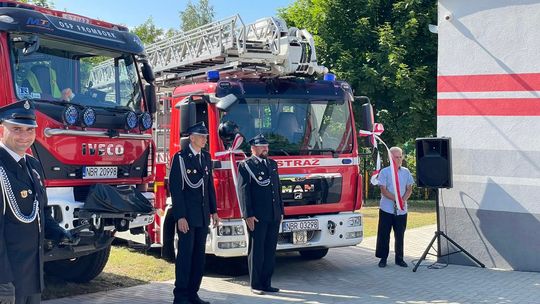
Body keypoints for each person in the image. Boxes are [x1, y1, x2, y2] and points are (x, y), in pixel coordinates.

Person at [0, 101, 71, 304]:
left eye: (30, 129)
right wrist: (3, 282)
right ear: (1, 130)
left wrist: (57, 232)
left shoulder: (33, 166)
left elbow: (41, 212)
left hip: (32, 276)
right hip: (8, 280)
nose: (24, 136)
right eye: (16, 129)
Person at [169, 122, 219, 304]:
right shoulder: (181, 158)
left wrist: (214, 211)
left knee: (199, 258)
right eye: (202, 136)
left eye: (206, 136)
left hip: (202, 215)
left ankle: (193, 293)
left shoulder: (206, 157)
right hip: (188, 217)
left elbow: (209, 187)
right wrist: (180, 216)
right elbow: (176, 188)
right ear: (192, 137)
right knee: (185, 256)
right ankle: (181, 295)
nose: (205, 139)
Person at [237, 134, 284, 295]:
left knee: (270, 250)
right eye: (262, 146)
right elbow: (244, 191)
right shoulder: (246, 165)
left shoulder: (272, 164)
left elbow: (277, 189)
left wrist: (281, 211)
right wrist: (248, 214)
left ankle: (267, 282)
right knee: (257, 251)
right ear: (253, 148)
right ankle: (256, 284)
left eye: (267, 146)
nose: (266, 148)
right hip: (257, 215)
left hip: (273, 214)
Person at [375, 146, 414, 268]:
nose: (399, 159)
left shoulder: (406, 172)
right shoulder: (385, 172)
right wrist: (396, 200)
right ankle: (383, 258)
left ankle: (399, 258)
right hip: (387, 209)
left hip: (401, 210)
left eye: (400, 157)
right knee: (384, 234)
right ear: (390, 158)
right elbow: (384, 190)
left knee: (400, 234)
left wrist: (402, 201)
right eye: (396, 157)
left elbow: (409, 189)